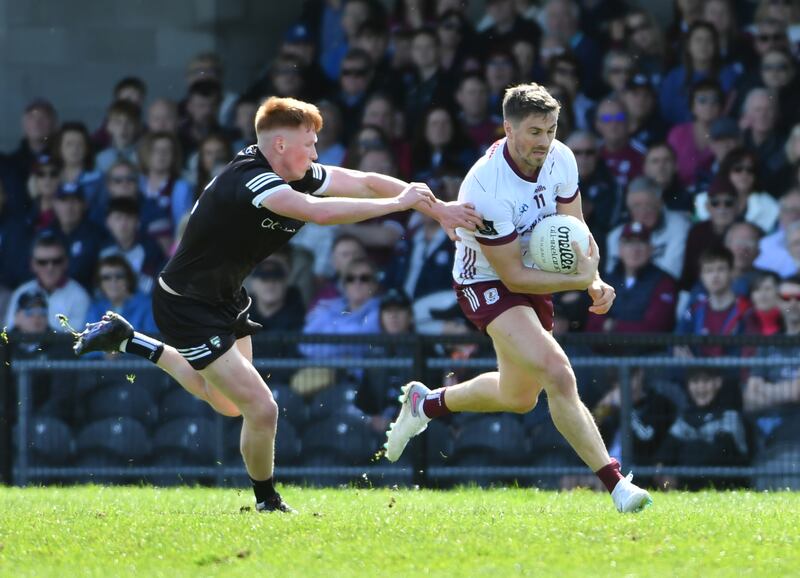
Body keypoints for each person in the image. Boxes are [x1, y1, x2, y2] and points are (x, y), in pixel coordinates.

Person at [68, 96, 480, 513]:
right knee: (262, 408)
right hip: (185, 305)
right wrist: (397, 205)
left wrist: (438, 209)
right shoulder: (252, 177)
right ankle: (268, 502)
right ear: (281, 145)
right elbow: (315, 213)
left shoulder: (293, 170)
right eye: (310, 143)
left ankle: (129, 340)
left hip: (225, 297)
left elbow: (367, 182)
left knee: (228, 403)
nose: (316, 152)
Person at [383, 83, 652, 513]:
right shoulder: (486, 188)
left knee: (518, 396)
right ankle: (617, 484)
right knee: (558, 373)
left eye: (550, 129)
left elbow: (575, 227)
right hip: (485, 281)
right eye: (533, 132)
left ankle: (426, 403)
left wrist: (593, 279)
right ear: (507, 129)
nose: (544, 141)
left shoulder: (561, 157)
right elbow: (512, 274)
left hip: (531, 273)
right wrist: (577, 280)